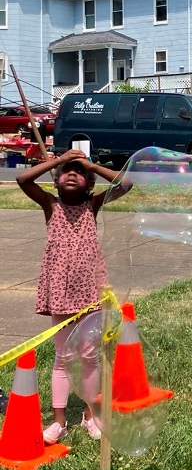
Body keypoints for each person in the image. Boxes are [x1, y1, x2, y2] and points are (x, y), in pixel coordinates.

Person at [17, 150, 130, 444]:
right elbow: (22, 179)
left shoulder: (92, 205)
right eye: (67, 171)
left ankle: (90, 415)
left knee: (90, 355)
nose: (72, 173)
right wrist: (58, 161)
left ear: (89, 184)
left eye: (79, 172)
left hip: (91, 291)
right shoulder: (50, 205)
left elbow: (125, 184)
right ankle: (59, 422)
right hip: (61, 292)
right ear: (56, 181)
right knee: (63, 357)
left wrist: (90, 164)